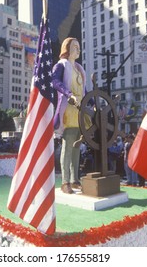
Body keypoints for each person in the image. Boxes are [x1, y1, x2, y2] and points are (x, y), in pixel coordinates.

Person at [52, 37, 87, 194]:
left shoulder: (79, 69)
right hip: (68, 110)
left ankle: (75, 180)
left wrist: (90, 103)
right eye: (74, 47)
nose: (78, 50)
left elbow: (85, 91)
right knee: (68, 146)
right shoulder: (61, 65)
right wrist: (68, 93)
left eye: (79, 47)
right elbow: (54, 81)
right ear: (67, 49)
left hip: (80, 112)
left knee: (77, 148)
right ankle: (65, 181)